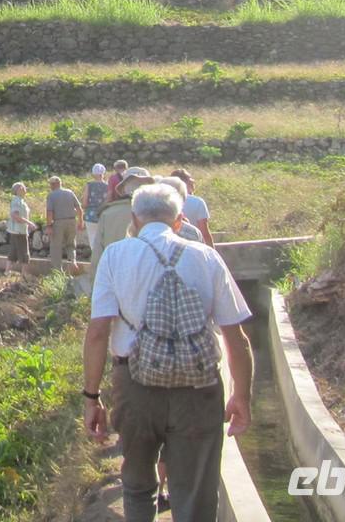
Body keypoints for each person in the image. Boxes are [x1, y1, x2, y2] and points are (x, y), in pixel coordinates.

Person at [82, 182, 253, 522]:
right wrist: (242, 397)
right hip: (199, 390)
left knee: (137, 483)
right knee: (195, 493)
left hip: (135, 384)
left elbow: (99, 332)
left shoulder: (116, 256)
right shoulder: (207, 257)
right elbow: (237, 339)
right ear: (179, 221)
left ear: (135, 218)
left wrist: (92, 397)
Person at [89, 166, 155, 288]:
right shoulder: (158, 214)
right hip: (149, 286)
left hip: (116, 285)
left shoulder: (107, 214)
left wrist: (95, 288)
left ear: (123, 189)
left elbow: (97, 255)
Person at [45, 175, 85, 273]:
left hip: (58, 222)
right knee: (71, 245)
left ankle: (58, 272)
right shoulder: (69, 192)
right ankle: (72, 261)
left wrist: (49, 226)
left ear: (53, 184)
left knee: (56, 247)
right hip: (72, 221)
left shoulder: (51, 195)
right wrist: (80, 221)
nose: (50, 186)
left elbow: (49, 212)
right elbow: (79, 208)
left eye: (51, 184)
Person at [171, 168, 213, 246]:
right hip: (194, 245)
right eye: (190, 179)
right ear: (185, 183)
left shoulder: (165, 201)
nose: (193, 181)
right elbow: (205, 233)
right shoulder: (198, 202)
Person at [84, 164, 110, 255]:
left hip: (90, 215)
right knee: (103, 239)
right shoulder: (108, 186)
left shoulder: (89, 185)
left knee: (92, 238)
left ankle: (95, 259)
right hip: (104, 215)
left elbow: (85, 202)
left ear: (93, 174)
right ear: (103, 173)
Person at [7, 181, 32, 272]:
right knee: (25, 252)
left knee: (13, 252)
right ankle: (24, 274)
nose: (25, 189)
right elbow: (15, 216)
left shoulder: (20, 200)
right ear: (19, 189)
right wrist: (29, 223)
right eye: (24, 187)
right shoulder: (17, 201)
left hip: (18, 230)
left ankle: (7, 271)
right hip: (19, 230)